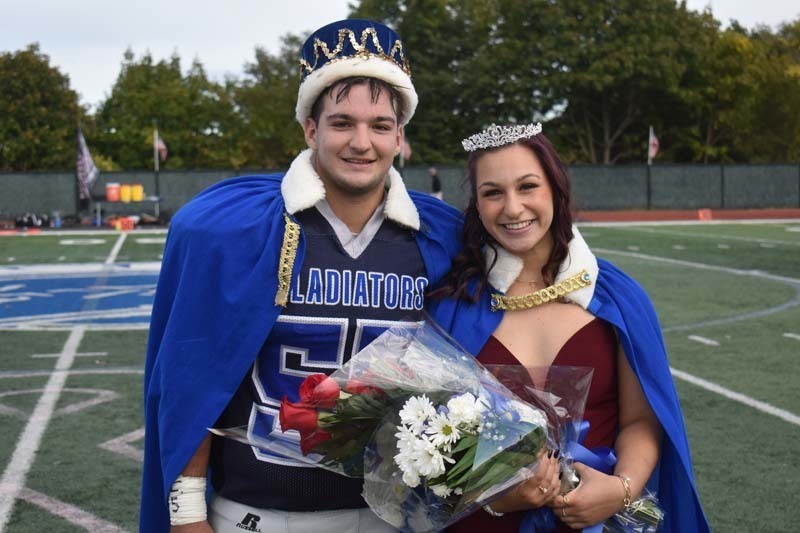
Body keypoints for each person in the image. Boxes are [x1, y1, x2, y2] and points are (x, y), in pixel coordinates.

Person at [139, 19, 462, 533]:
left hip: (398, 518)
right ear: (310, 128)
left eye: (380, 125)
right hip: (262, 514)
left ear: (400, 135)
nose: (362, 142)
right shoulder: (239, 228)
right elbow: (191, 381)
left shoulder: (440, 236)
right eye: (342, 123)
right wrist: (186, 513)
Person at [429, 123, 709, 532]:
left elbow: (640, 421)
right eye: (493, 192)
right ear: (476, 204)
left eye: (527, 186)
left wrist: (621, 489)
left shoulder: (616, 298)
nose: (512, 207)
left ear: (555, 190)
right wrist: (489, 494)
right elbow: (430, 442)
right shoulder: (452, 307)